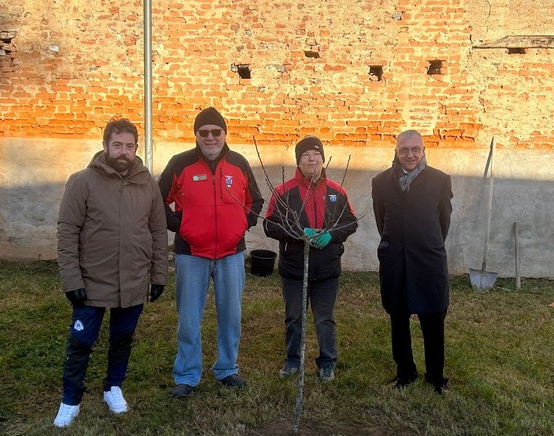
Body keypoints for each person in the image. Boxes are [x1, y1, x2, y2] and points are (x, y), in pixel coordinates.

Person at [53, 118, 168, 428]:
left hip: (132, 278)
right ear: (105, 146)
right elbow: (67, 232)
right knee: (80, 342)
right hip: (91, 280)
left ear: (136, 149)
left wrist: (159, 275)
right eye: (117, 145)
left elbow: (158, 231)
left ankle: (113, 387)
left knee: (122, 338)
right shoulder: (82, 182)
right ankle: (70, 399)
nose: (123, 151)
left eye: (129, 146)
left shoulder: (147, 185)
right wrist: (71, 279)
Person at [158, 107, 263, 398]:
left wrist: (242, 224)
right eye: (203, 132)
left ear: (224, 134)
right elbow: (157, 198)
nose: (210, 137)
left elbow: (255, 199)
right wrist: (181, 225)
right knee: (189, 318)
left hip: (231, 253)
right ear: (196, 135)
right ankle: (187, 375)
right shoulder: (180, 164)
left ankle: (227, 369)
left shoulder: (239, 164)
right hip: (191, 253)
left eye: (216, 132)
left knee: (231, 315)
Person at [264, 136, 358, 383]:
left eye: (316, 154)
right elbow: (269, 225)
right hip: (294, 268)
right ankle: (293, 359)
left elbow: (351, 222)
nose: (312, 159)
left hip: (327, 268)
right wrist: (298, 234)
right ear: (298, 161)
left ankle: (327, 362)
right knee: (294, 316)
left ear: (323, 158)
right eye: (306, 155)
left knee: (324, 318)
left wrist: (332, 235)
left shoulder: (337, 191)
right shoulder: (284, 192)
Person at [371, 130, 453, 394]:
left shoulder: (440, 181)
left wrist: (427, 243)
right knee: (398, 316)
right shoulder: (381, 182)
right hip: (395, 259)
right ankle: (405, 372)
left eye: (415, 149)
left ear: (423, 150)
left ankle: (435, 376)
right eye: (404, 150)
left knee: (433, 317)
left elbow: (443, 222)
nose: (410, 155)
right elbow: (380, 219)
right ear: (396, 151)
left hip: (428, 260)